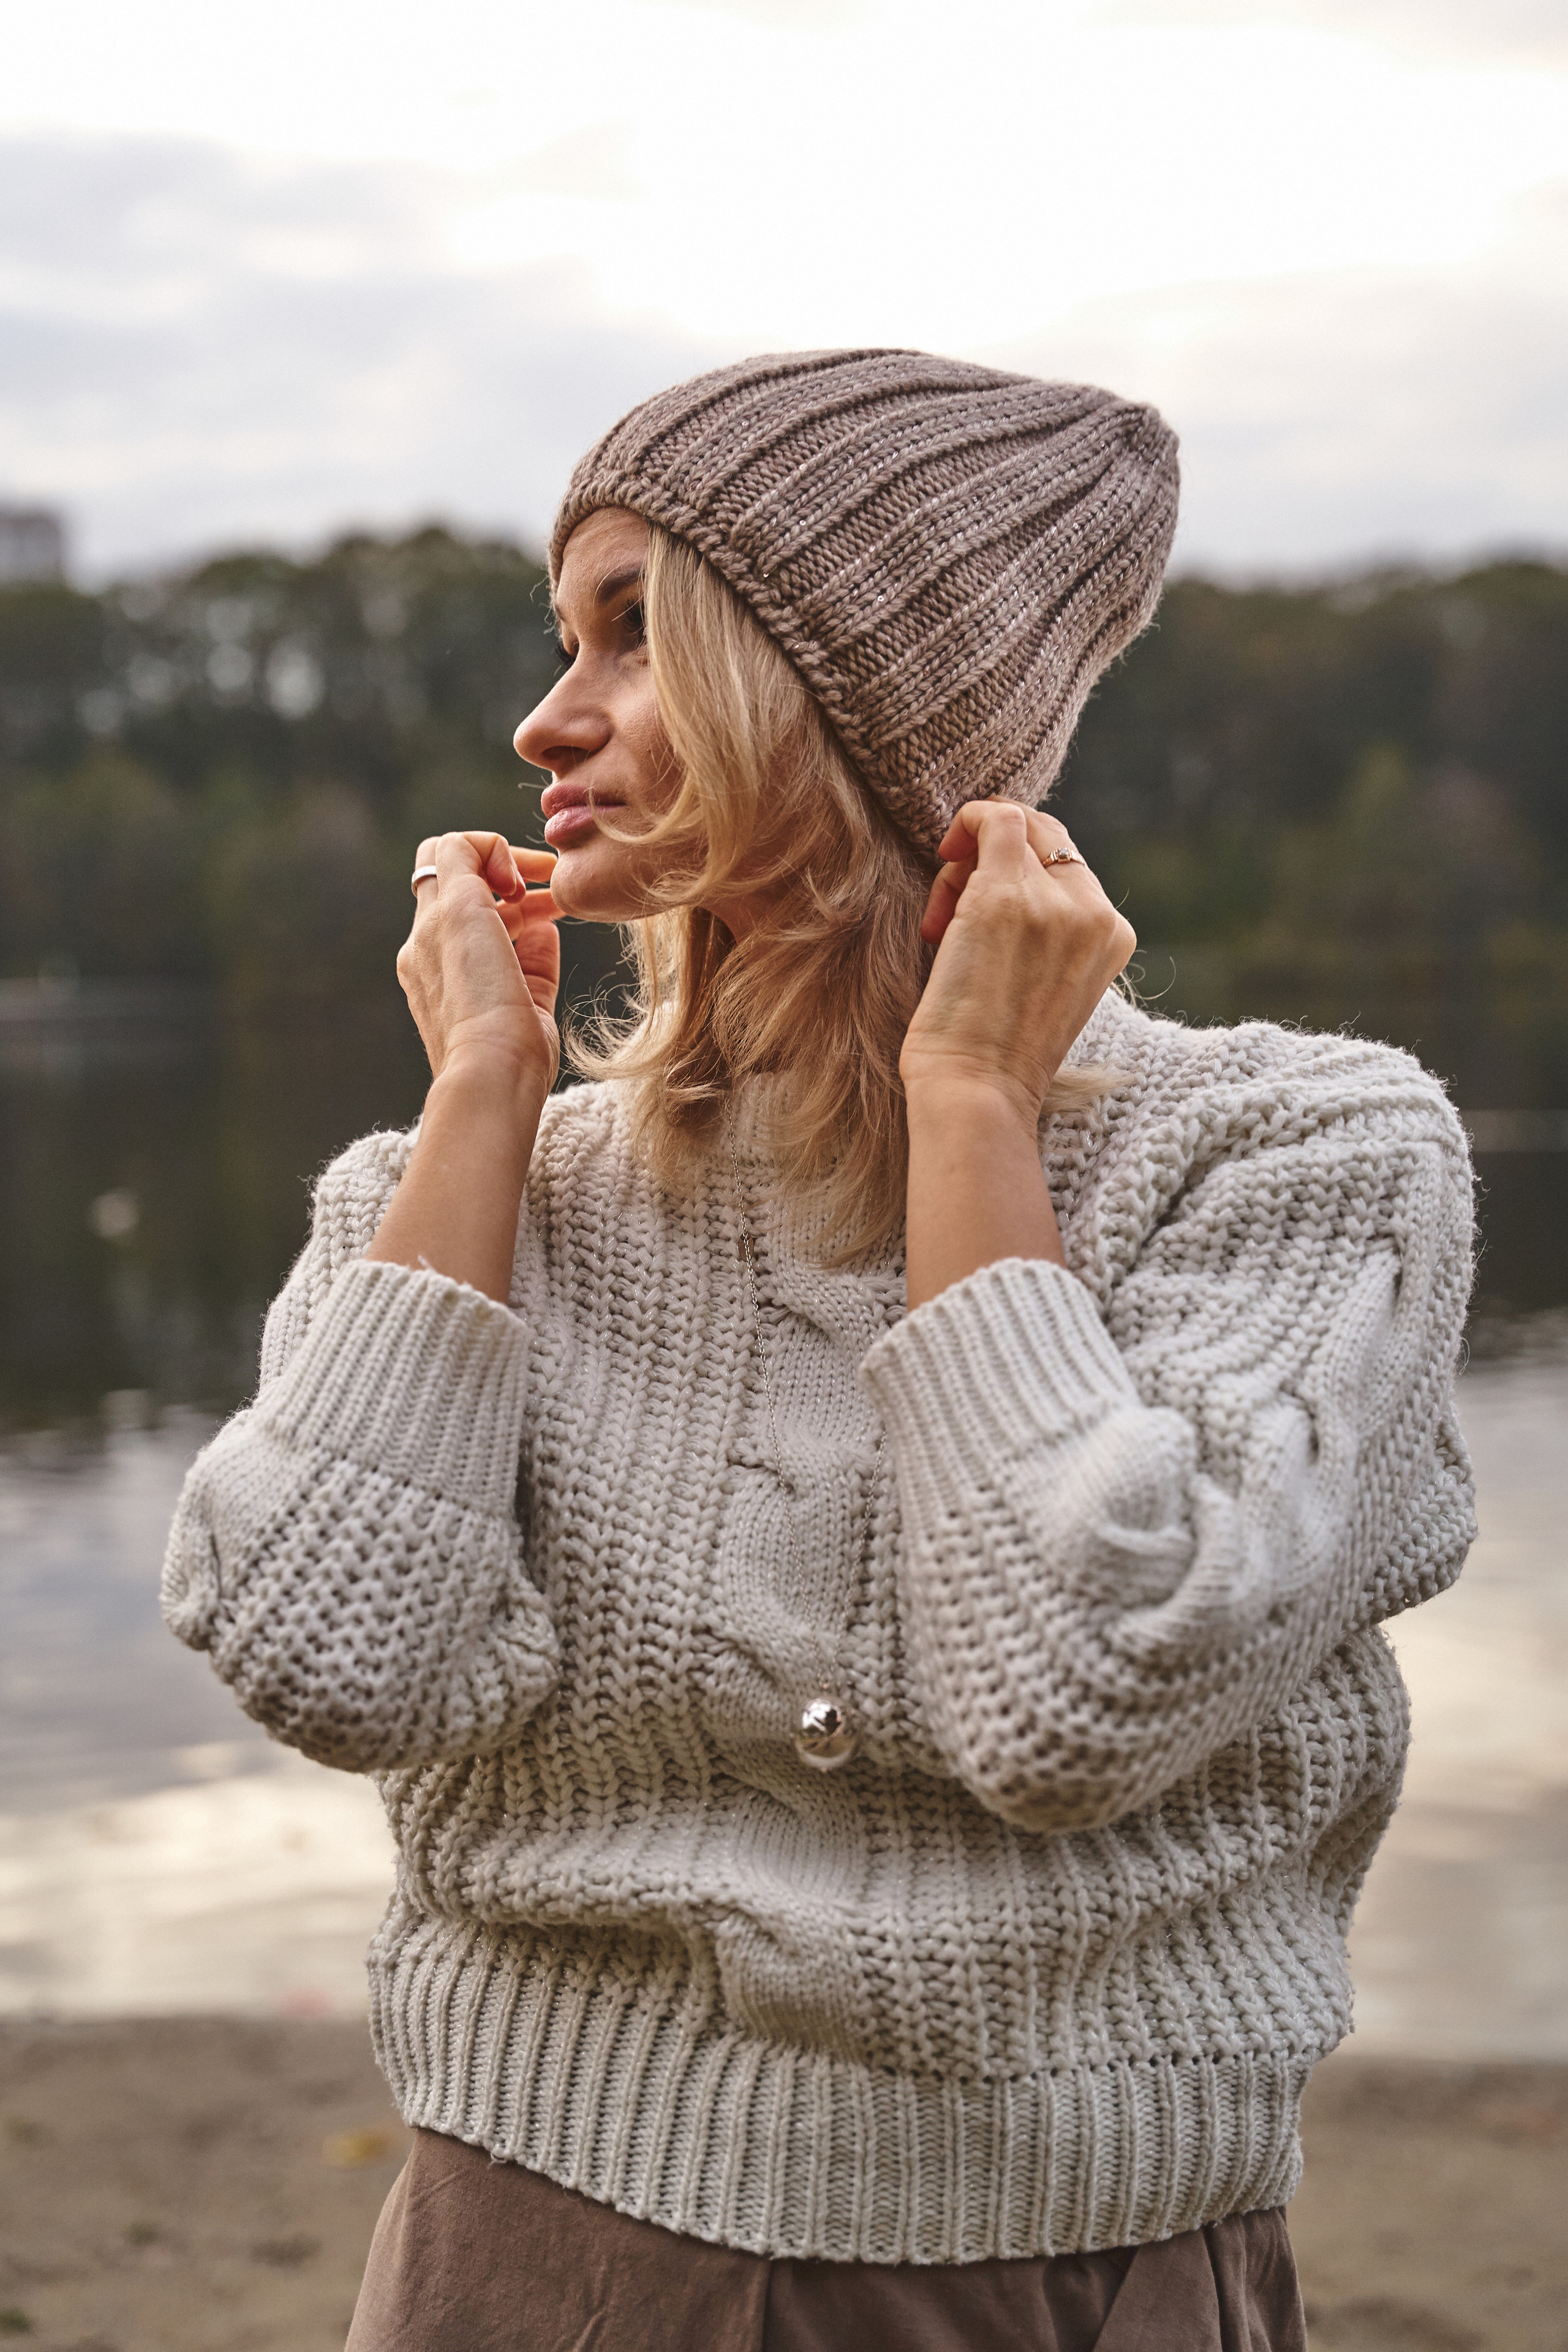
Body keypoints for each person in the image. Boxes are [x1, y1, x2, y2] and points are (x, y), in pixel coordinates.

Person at [162, 351, 1475, 2350]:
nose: (546, 716)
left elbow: (1079, 1692)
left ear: (853, 704)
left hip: (1086, 2282)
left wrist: (967, 1100)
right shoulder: (479, 1185)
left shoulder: (1305, 1156)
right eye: (562, 634)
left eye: (634, 634)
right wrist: (481, 1110)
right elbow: (338, 1661)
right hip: (536, 2261)